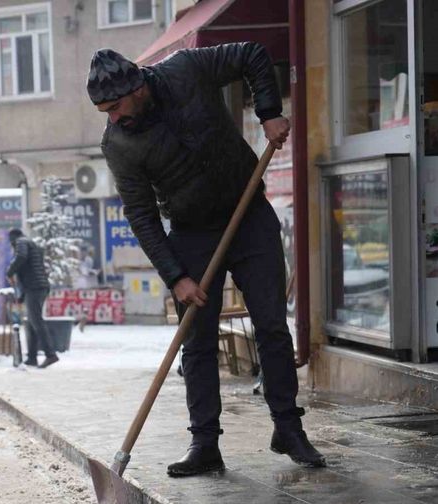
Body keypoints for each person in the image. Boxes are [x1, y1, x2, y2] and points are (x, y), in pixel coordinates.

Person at [87, 44, 325, 477]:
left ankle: (288, 428)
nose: (113, 118)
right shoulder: (119, 143)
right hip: (191, 234)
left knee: (271, 324)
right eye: (105, 111)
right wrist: (176, 276)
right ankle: (205, 444)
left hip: (248, 211)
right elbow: (141, 215)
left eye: (116, 106)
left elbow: (253, 54)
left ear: (137, 85)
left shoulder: (185, 69)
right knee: (196, 342)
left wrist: (269, 112)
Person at [6, 229, 58, 369]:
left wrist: (9, 270)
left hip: (35, 287)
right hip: (36, 286)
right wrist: (22, 295)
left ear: (13, 239)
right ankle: (32, 357)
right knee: (31, 322)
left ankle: (50, 354)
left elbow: (21, 258)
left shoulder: (21, 242)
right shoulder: (30, 243)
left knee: (36, 321)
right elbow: (28, 269)